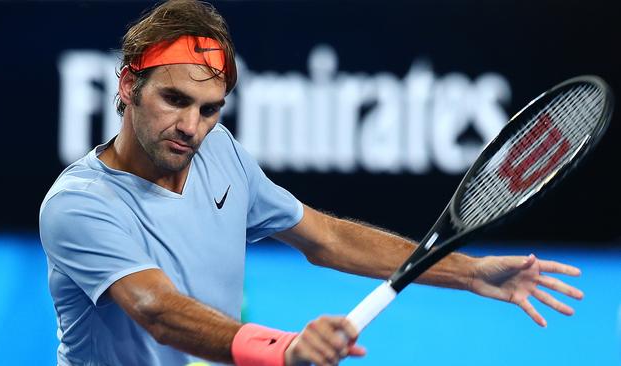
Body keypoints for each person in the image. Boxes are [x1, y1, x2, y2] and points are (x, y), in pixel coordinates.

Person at [39, 1, 584, 365]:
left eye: (209, 109)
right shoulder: (80, 205)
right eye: (175, 100)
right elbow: (158, 311)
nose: (191, 127)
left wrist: (470, 273)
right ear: (129, 84)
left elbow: (327, 237)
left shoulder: (220, 152)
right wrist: (285, 349)